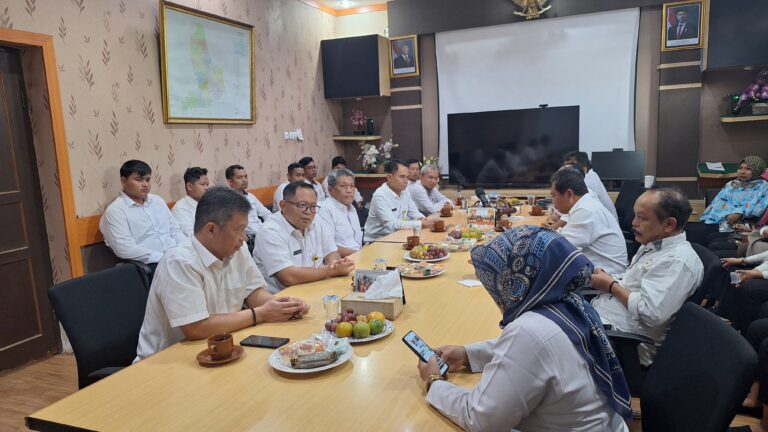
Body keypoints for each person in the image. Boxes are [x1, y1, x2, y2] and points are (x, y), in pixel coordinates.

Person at [417, 226, 631, 431]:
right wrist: (467, 355)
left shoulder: (529, 333)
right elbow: (535, 355)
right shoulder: (572, 304)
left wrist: (433, 381)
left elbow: (481, 419)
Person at [134, 186, 310, 361]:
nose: (244, 238)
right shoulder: (180, 262)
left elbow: (253, 292)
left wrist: (283, 306)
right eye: (239, 230)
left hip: (221, 349)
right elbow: (196, 328)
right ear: (211, 230)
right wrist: (261, 314)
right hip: (166, 362)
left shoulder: (236, 250)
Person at [591, 188, 703, 366]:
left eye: (642, 218)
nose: (633, 223)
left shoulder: (677, 262)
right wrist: (608, 279)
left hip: (620, 344)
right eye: (635, 215)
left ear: (669, 224)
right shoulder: (654, 243)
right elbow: (633, 282)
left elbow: (651, 313)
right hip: (601, 321)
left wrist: (611, 285)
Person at [253, 182, 355, 293]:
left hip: (317, 287)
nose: (308, 212)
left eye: (313, 207)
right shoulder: (270, 231)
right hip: (283, 298)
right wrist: (331, 271)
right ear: (283, 205)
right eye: (302, 205)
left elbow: (331, 252)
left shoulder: (317, 221)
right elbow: (288, 276)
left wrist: (335, 264)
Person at [100, 160, 186, 283]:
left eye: (147, 180)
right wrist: (164, 258)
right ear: (123, 182)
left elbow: (175, 231)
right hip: (151, 266)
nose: (145, 184)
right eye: (139, 180)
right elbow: (125, 249)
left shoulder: (158, 201)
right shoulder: (116, 211)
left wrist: (186, 249)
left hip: (176, 257)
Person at [549, 166, 628, 274]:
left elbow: (558, 249)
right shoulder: (584, 204)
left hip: (605, 279)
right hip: (597, 271)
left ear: (569, 194)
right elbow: (562, 237)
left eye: (554, 196)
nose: (553, 201)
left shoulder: (586, 211)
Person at [687, 156, 768, 246]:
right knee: (690, 230)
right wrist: (706, 218)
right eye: (740, 168)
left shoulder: (763, 186)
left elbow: (759, 209)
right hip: (715, 219)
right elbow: (715, 204)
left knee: (697, 234)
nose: (742, 172)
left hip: (738, 223)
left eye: (748, 169)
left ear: (757, 170)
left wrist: (739, 213)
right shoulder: (731, 184)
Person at [364, 160, 435, 242]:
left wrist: (423, 219)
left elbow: (414, 212)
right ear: (390, 177)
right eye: (402, 177)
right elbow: (393, 225)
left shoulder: (404, 191)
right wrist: (421, 223)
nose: (406, 181)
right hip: (377, 240)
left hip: (398, 235)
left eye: (407, 177)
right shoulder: (380, 195)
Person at [317, 169, 363, 257]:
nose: (349, 190)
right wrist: (360, 254)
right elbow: (327, 246)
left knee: (390, 268)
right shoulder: (326, 210)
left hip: (359, 256)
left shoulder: (352, 208)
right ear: (330, 190)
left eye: (352, 186)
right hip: (342, 261)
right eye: (343, 186)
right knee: (381, 270)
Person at [563, 151, 618, 220]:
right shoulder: (589, 174)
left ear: (584, 166)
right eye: (565, 165)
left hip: (604, 224)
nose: (566, 168)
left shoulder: (588, 178)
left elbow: (573, 210)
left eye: (572, 164)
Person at [226, 164, 271, 242]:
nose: (244, 180)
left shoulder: (250, 196)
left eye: (245, 177)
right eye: (239, 177)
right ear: (230, 181)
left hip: (263, 233)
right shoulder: (227, 200)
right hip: (249, 239)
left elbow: (266, 214)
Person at [172, 167, 210, 237]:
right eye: (203, 184)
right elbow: (193, 236)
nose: (207, 188)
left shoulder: (207, 204)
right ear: (189, 186)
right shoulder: (180, 208)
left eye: (207, 185)